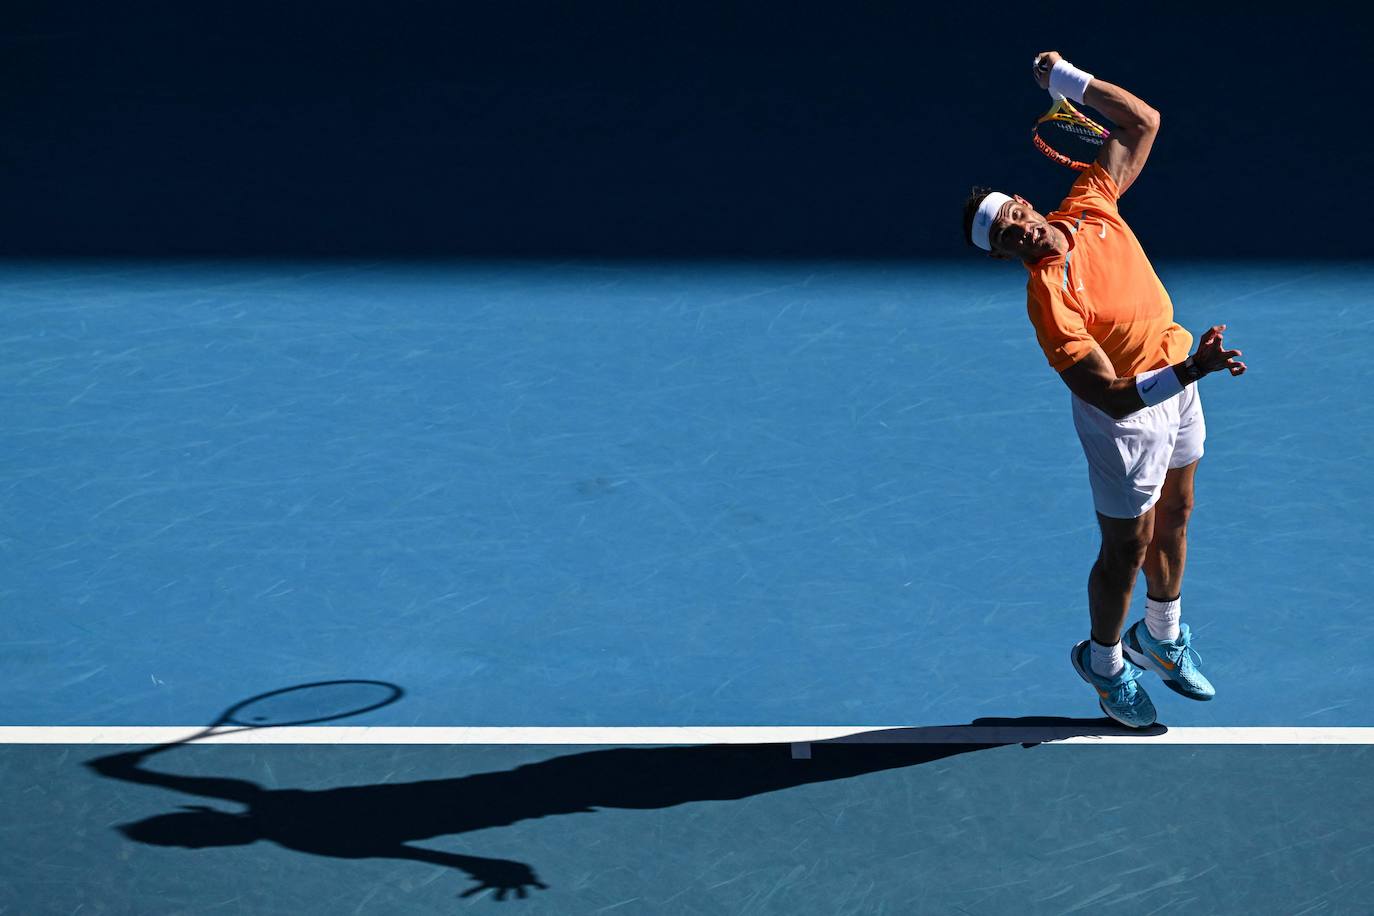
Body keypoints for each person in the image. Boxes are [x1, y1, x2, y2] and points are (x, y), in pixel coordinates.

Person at [960, 51, 1246, 727]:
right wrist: (1194, 370)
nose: (1022, 231)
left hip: (1180, 374)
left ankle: (1164, 634)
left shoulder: (1090, 201)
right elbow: (1113, 395)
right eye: (1007, 240)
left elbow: (1142, 121)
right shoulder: (1048, 299)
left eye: (1016, 217)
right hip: (1129, 419)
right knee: (1127, 547)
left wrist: (1067, 81)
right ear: (1005, 256)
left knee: (1178, 514)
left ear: (1026, 203)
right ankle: (1105, 660)